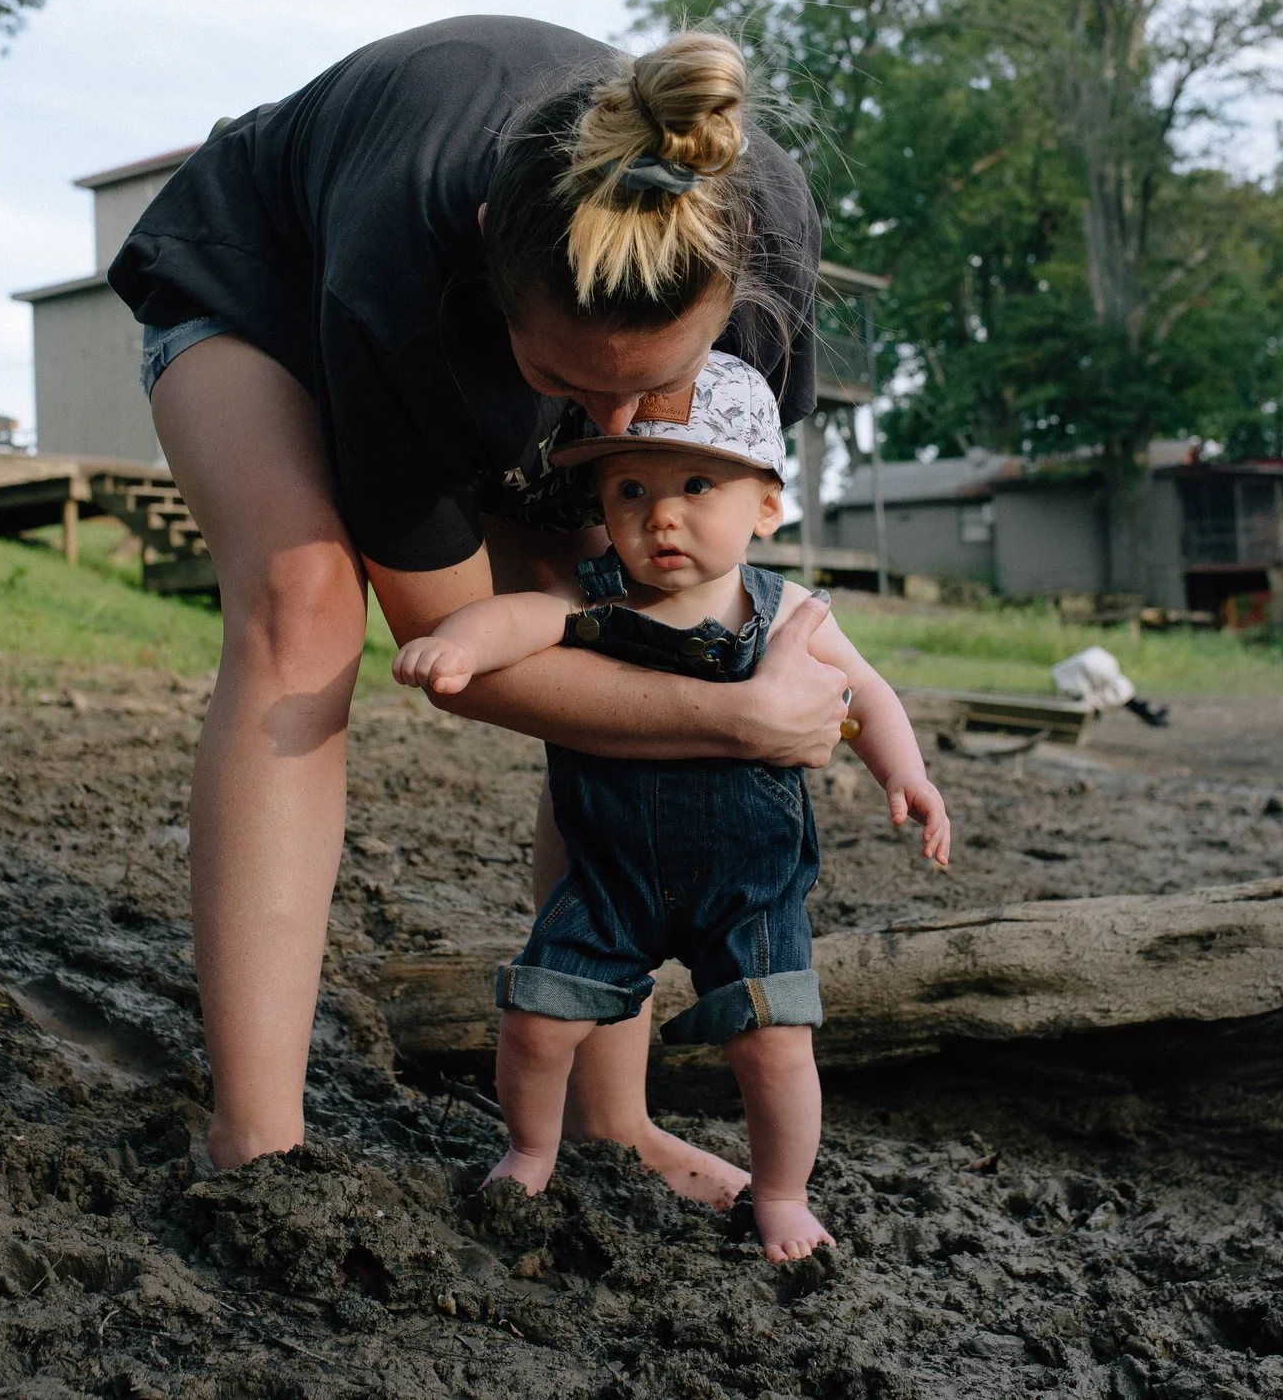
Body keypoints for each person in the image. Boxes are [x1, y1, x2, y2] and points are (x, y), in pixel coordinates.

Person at [109, 17, 854, 1195]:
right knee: (305, 605)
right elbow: (450, 649)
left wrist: (703, 668)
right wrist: (738, 720)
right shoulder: (403, 263)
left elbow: (667, 591)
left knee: (628, 630)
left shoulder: (757, 241)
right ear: (490, 244)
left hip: (485, 333)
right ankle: (256, 1147)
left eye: (658, 383)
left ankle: (611, 1121)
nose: (616, 428)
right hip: (265, 283)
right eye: (568, 383)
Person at [390, 353, 952, 1262]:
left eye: (696, 486)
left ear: (766, 505)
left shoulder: (789, 611)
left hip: (749, 890)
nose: (661, 515)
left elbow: (870, 692)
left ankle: (781, 1194)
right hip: (611, 877)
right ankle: (529, 1151)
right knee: (536, 1019)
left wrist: (907, 773)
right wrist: (457, 641)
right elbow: (519, 617)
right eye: (631, 491)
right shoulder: (593, 595)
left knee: (776, 1044)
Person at [1051, 643, 1171, 727]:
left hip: (1098, 681)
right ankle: (1149, 715)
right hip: (1086, 684)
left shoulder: (1102, 666)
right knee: (1121, 697)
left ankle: (1149, 715)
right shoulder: (1085, 669)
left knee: (1124, 695)